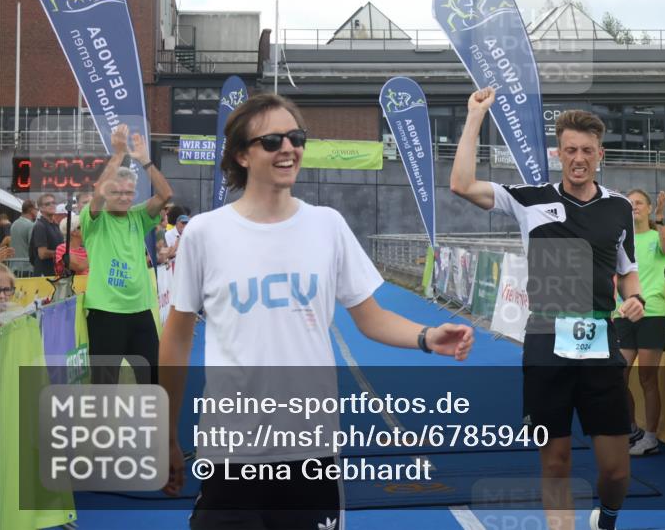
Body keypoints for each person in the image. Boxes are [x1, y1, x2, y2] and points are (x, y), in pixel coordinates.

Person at [159, 93, 474, 530]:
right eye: (272, 141)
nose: (288, 148)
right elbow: (176, 338)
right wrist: (166, 433)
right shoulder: (205, 233)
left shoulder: (327, 225)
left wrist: (426, 336)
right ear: (242, 155)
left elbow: (371, 317)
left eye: (296, 137)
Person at [450, 89, 645, 530]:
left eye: (587, 151)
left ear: (600, 155)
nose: (579, 159)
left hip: (599, 342)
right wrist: (475, 117)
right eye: (571, 150)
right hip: (544, 341)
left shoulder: (618, 207)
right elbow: (461, 184)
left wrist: (635, 299)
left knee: (616, 471)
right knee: (555, 461)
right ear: (559, 153)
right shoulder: (529, 199)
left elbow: (628, 272)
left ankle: (607, 519)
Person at [82, 123, 173, 385]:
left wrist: (145, 161)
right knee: (105, 383)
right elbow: (98, 192)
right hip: (106, 313)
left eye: (129, 193)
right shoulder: (95, 219)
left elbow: (166, 194)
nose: (124, 197)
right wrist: (119, 153)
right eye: (117, 192)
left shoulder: (138, 216)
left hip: (141, 311)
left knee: (154, 378)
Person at [616, 189, 665, 457]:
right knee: (617, 376)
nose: (634, 207)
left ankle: (650, 438)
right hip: (624, 315)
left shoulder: (655, 235)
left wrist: (660, 219)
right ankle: (631, 429)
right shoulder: (621, 239)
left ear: (649, 208)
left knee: (647, 378)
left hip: (652, 314)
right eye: (629, 204)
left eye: (639, 203)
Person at [29, 193, 63, 277]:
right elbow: (42, 254)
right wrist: (62, 253)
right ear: (40, 208)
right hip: (44, 274)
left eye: (53, 202)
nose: (52, 205)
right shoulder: (40, 226)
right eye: (48, 204)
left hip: (55, 272)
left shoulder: (55, 225)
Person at [8, 200, 36, 274]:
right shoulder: (31, 225)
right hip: (27, 268)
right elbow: (33, 247)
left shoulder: (14, 224)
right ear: (31, 210)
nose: (37, 211)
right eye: (36, 209)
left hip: (13, 267)